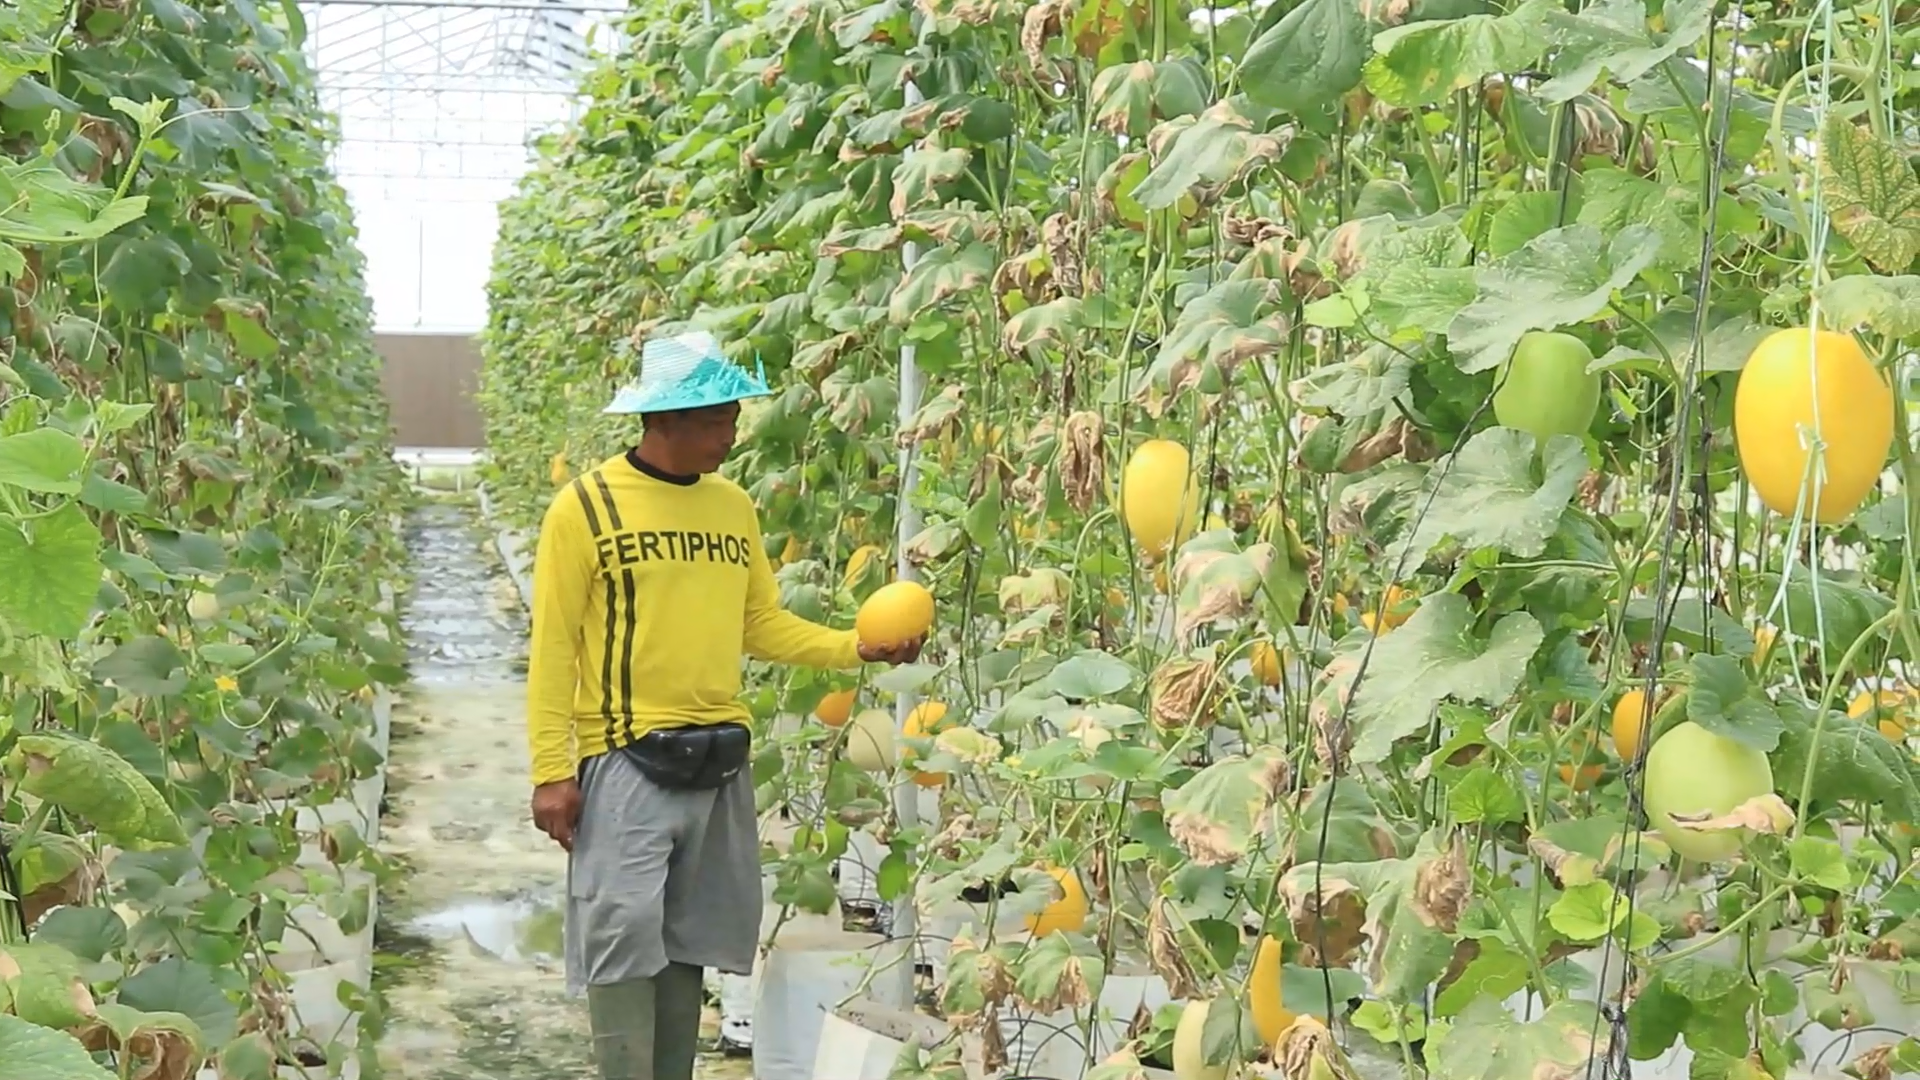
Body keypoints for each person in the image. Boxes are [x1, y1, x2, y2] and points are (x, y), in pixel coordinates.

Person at [523, 330, 924, 1080]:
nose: (733, 431)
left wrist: (853, 648)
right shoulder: (587, 508)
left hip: (717, 760)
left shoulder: (731, 507)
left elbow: (758, 622)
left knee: (688, 940)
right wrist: (553, 771)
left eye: (733, 416)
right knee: (620, 939)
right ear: (666, 419)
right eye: (719, 418)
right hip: (625, 759)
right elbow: (553, 652)